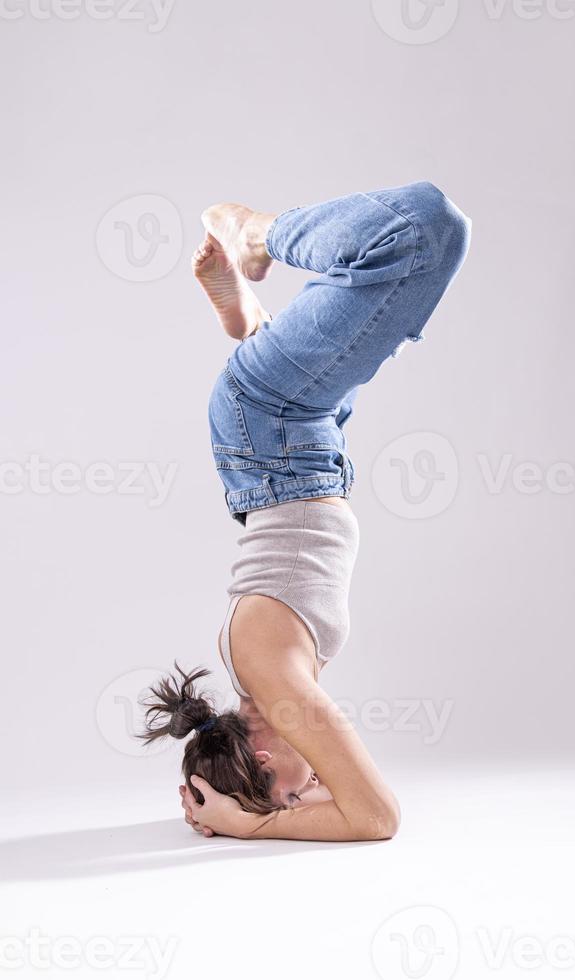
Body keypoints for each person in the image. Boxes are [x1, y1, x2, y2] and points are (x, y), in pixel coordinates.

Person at [140, 180, 471, 842]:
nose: (311, 792)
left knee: (422, 233)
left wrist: (246, 824)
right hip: (297, 447)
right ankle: (249, 323)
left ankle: (254, 232)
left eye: (294, 792)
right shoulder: (267, 677)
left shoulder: (270, 675)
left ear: (262, 759)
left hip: (272, 426)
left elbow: (374, 818)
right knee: (385, 314)